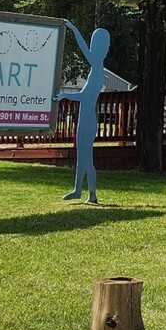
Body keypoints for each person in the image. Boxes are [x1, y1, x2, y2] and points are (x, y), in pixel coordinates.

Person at [58, 20, 110, 203]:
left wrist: (65, 95)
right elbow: (84, 50)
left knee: (87, 159)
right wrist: (74, 29)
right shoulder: (96, 68)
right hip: (84, 117)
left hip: (88, 120)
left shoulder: (97, 71)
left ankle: (92, 194)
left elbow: (84, 97)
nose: (91, 48)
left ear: (103, 49)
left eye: (95, 45)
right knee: (82, 157)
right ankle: (78, 190)